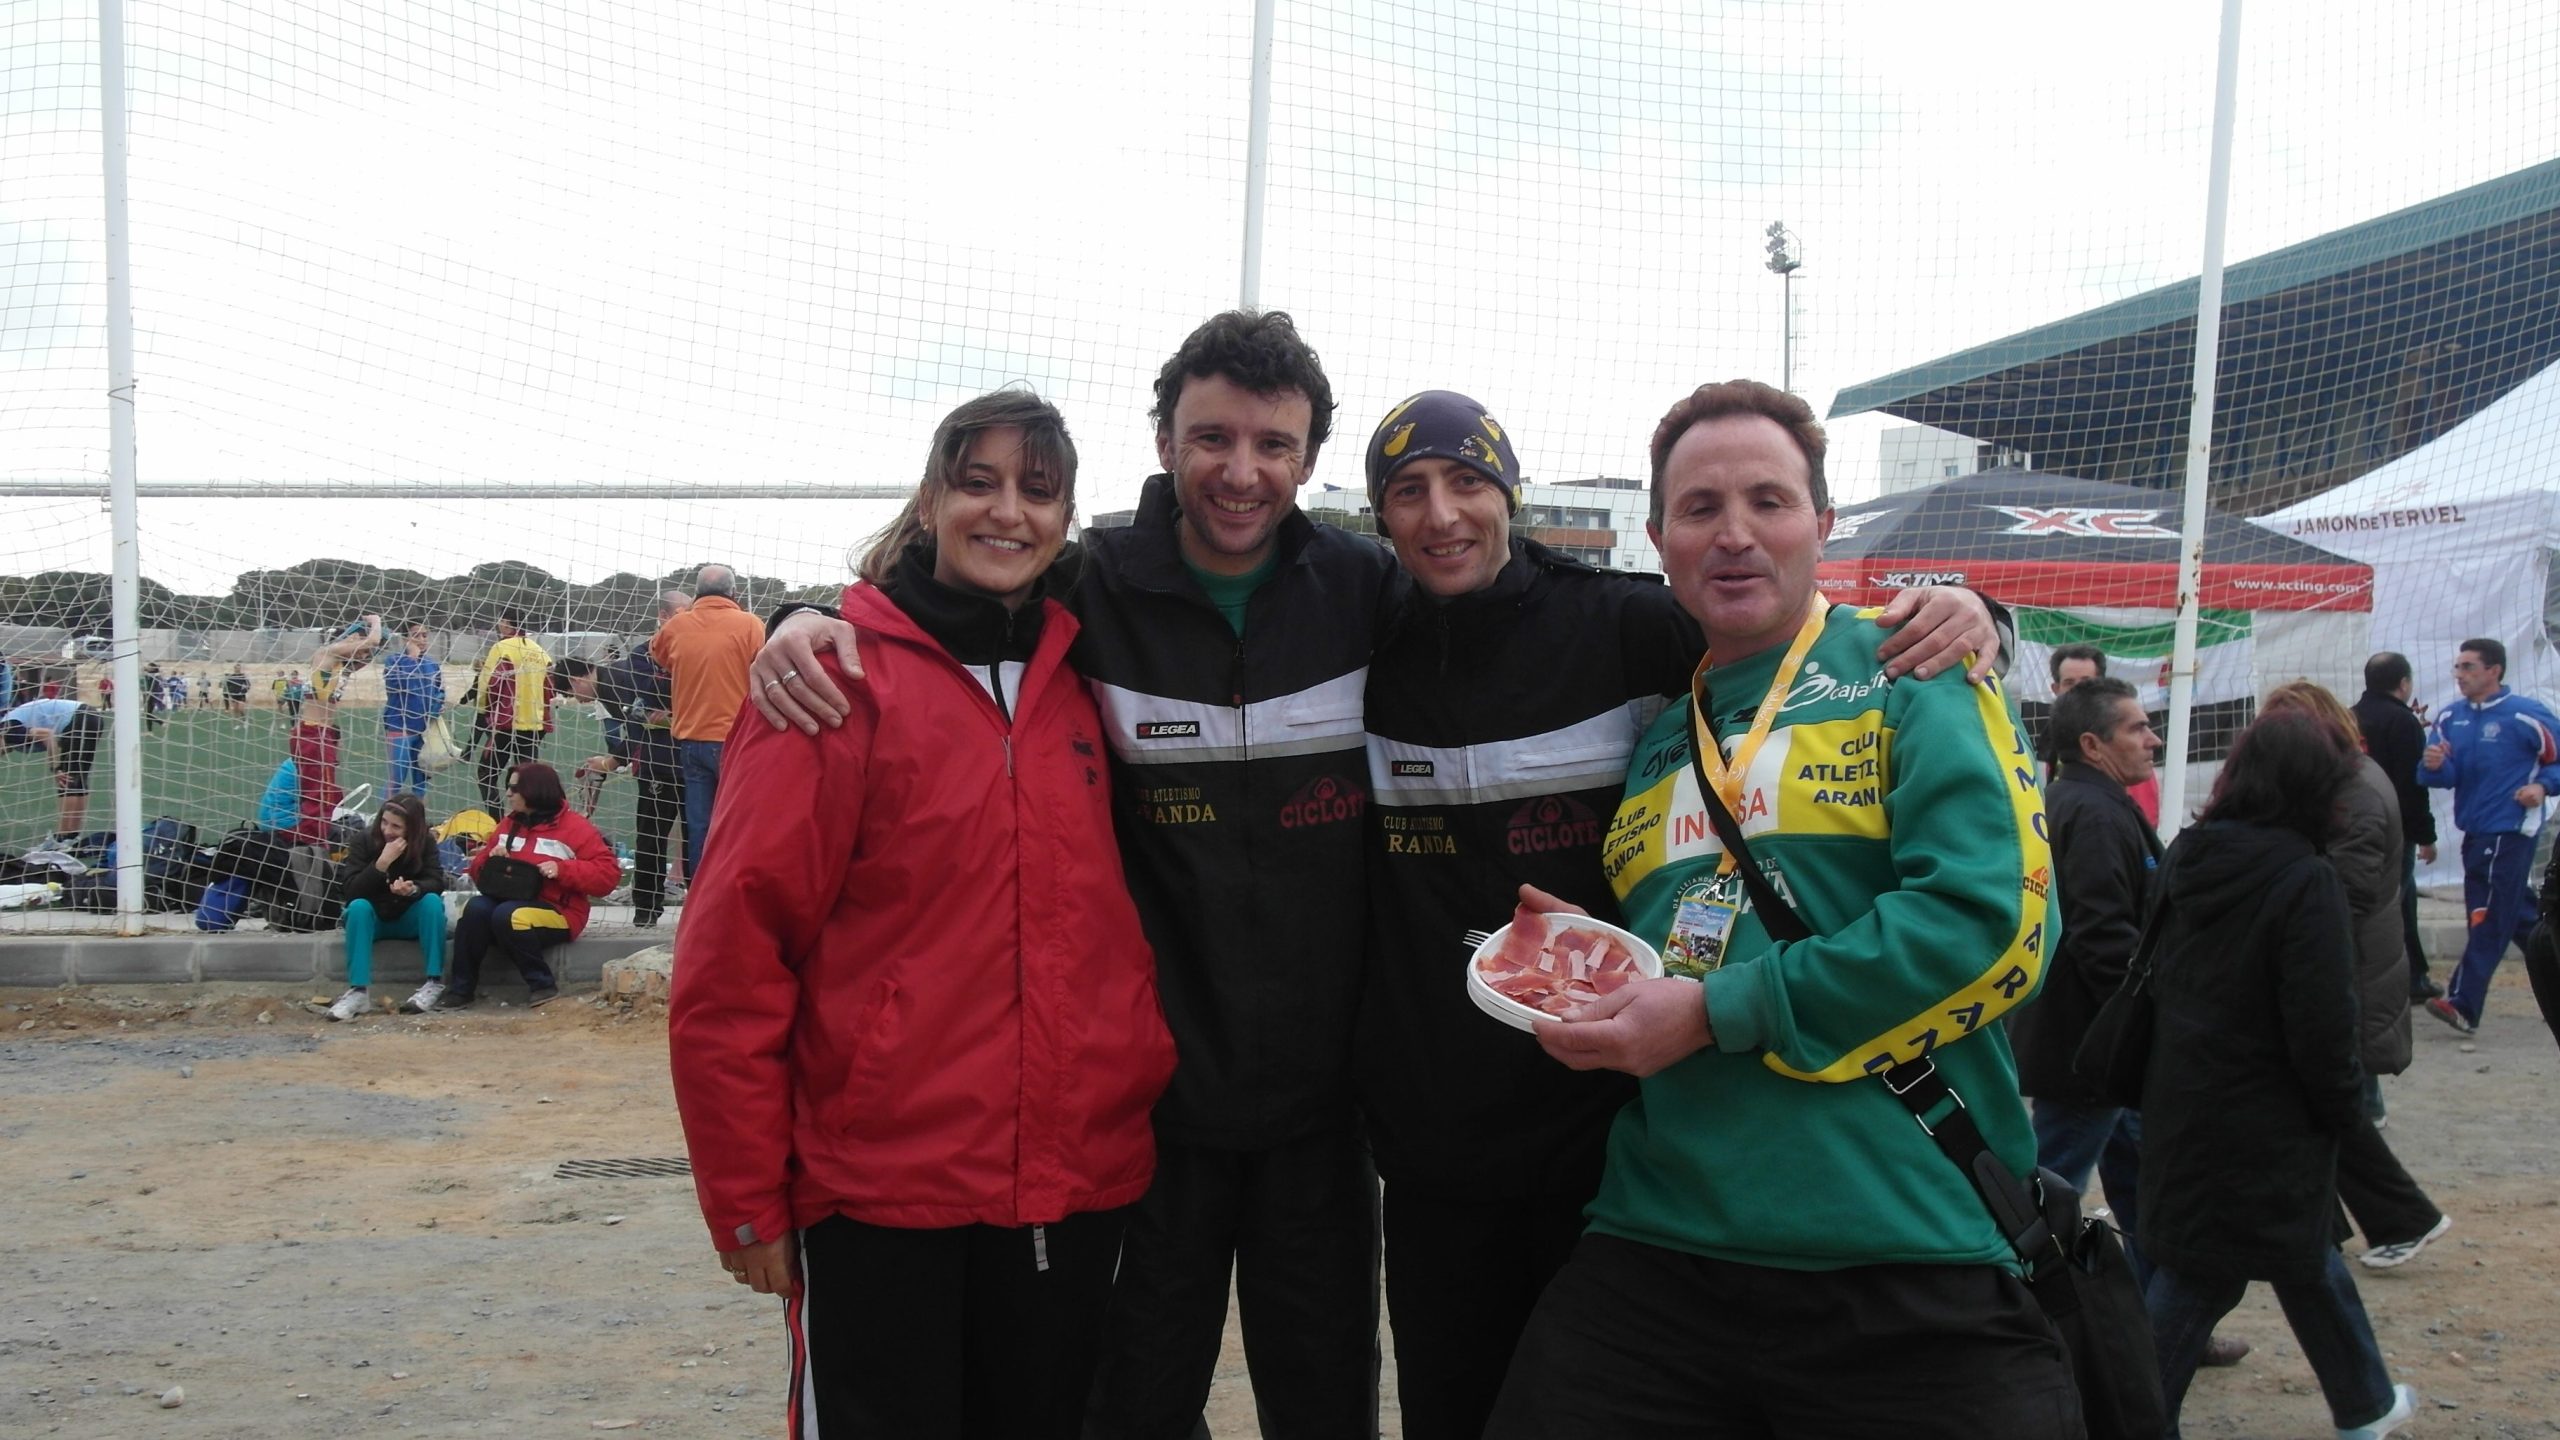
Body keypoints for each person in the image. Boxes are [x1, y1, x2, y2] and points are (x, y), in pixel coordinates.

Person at [751, 318, 2001, 1440]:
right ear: (1165, 442)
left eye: (1273, 445)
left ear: (1309, 464)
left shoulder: (1377, 593)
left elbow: (1768, 616)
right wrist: (811, 615)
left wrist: (1973, 607)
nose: (1241, 471)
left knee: (1336, 1402)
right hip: (1180, 1110)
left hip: (1391, 1117)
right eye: (1213, 439)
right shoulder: (1104, 587)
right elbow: (962, 597)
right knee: (1127, 1400)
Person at [1353, 390, 2000, 1440]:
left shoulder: (1627, 626)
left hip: (1623, 1150)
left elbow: (1790, 629)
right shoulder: (1363, 635)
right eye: (1408, 492)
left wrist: (1974, 615)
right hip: (1480, 1157)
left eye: (1467, 481)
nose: (1441, 514)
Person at [669, 389, 1176, 1439]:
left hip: (1068, 1190)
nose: (1008, 513)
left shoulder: (1087, 670)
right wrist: (746, 1194)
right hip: (880, 1198)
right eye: (978, 482)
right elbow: (734, 957)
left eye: (1039, 491)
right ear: (932, 497)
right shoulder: (829, 683)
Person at [2134, 706, 2420, 1440]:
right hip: (2264, 1119)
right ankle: (2126, 1417)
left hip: (2184, 1096)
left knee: (2302, 1255)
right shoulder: (2304, 879)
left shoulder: (2188, 852)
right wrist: (2346, 1113)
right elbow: (2320, 1024)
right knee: (2205, 1275)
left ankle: (2366, 1403)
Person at [2259, 680, 2452, 1271]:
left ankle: (2403, 1217)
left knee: (2333, 1112)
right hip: (2345, 973)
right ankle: (2338, 1226)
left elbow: (2351, 890)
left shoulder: (2357, 790)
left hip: (2350, 977)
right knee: (2320, 1112)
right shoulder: (2344, 781)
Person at [2418, 637, 2560, 1035]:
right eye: (2457, 667)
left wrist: (2543, 787)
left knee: (2487, 915)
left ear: (2493, 671)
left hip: (2512, 829)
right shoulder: (2450, 718)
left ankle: (2463, 1003)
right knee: (2521, 917)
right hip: (2476, 831)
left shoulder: (2526, 715)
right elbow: (2440, 777)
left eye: (2467, 667)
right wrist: (2432, 766)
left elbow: (2557, 762)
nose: (2459, 675)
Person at [434, 761, 614, 1010]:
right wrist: (489, 860)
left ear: (535, 791)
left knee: (508, 916)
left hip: (559, 911)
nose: (508, 793)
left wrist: (563, 869)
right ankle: (461, 990)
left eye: (514, 788)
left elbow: (607, 876)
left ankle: (542, 985)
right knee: (475, 909)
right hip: (509, 901)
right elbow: (477, 871)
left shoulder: (576, 829)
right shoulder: (510, 824)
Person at [562, 636, 683, 927]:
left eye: (569, 692)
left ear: (576, 680)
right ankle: (685, 903)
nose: (575, 700)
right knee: (690, 833)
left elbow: (640, 726)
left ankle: (646, 910)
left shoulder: (620, 678)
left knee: (652, 836)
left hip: (666, 763)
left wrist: (611, 762)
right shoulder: (616, 677)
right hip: (687, 756)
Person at [650, 564, 762, 874]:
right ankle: (734, 889)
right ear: (733, 593)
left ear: (697, 594)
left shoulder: (676, 627)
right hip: (734, 740)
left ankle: (700, 893)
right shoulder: (751, 624)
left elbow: (658, 654)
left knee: (698, 824)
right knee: (738, 822)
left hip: (690, 740)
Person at [2355, 652, 2443, 1003]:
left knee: (2402, 903)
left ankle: (2415, 975)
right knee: (2389, 906)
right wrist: (2426, 836)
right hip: (2394, 829)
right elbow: (2411, 784)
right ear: (2404, 684)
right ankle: (2381, 980)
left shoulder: (2351, 716)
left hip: (2358, 825)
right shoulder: (2402, 721)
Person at [325, 792, 450, 1020]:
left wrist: (414, 889)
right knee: (358, 907)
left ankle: (434, 982)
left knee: (432, 902)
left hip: (407, 918)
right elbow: (351, 891)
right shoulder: (363, 841)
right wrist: (381, 864)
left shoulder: (425, 843)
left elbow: (436, 880)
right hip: (375, 920)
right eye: (384, 822)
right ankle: (359, 992)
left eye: (396, 826)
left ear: (411, 829)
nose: (387, 830)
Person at [289, 618, 384, 847]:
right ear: (350, 637)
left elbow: (371, 648)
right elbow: (373, 641)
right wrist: (376, 622)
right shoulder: (327, 653)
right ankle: (312, 847)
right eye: (358, 642)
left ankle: (321, 839)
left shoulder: (343, 666)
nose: (362, 653)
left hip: (324, 735)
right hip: (312, 734)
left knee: (330, 794)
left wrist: (375, 641)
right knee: (318, 796)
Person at [2045, 642, 2163, 826]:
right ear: (2056, 689)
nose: (2077, 691)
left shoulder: (2125, 745)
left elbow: (2144, 817)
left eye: (2086, 683)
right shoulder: (2055, 742)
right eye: (2069, 683)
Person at [467, 611, 555, 814]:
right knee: (526, 776)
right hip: (534, 725)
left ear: (507, 624)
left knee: (486, 773)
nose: (499, 624)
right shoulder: (541, 652)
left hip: (507, 724)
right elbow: (550, 687)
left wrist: (483, 710)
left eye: (501, 620)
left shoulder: (502, 648)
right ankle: (527, 818)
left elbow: (488, 683)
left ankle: (498, 820)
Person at [0, 695, 104, 838]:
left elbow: (48, 736)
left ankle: (62, 837)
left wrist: (56, 768)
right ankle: (72, 836)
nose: (3, 754)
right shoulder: (10, 728)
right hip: (89, 716)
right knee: (77, 780)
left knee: (67, 781)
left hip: (79, 718)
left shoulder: (8, 731)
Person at [378, 622, 446, 799]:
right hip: (399, 727)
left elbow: (439, 691)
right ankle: (383, 821)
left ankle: (418, 823)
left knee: (421, 780)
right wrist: (412, 658)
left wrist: (438, 704)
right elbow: (396, 685)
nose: (422, 640)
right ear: (405, 638)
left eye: (425, 635)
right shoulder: (394, 661)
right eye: (417, 635)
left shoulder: (432, 664)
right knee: (397, 779)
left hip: (424, 730)